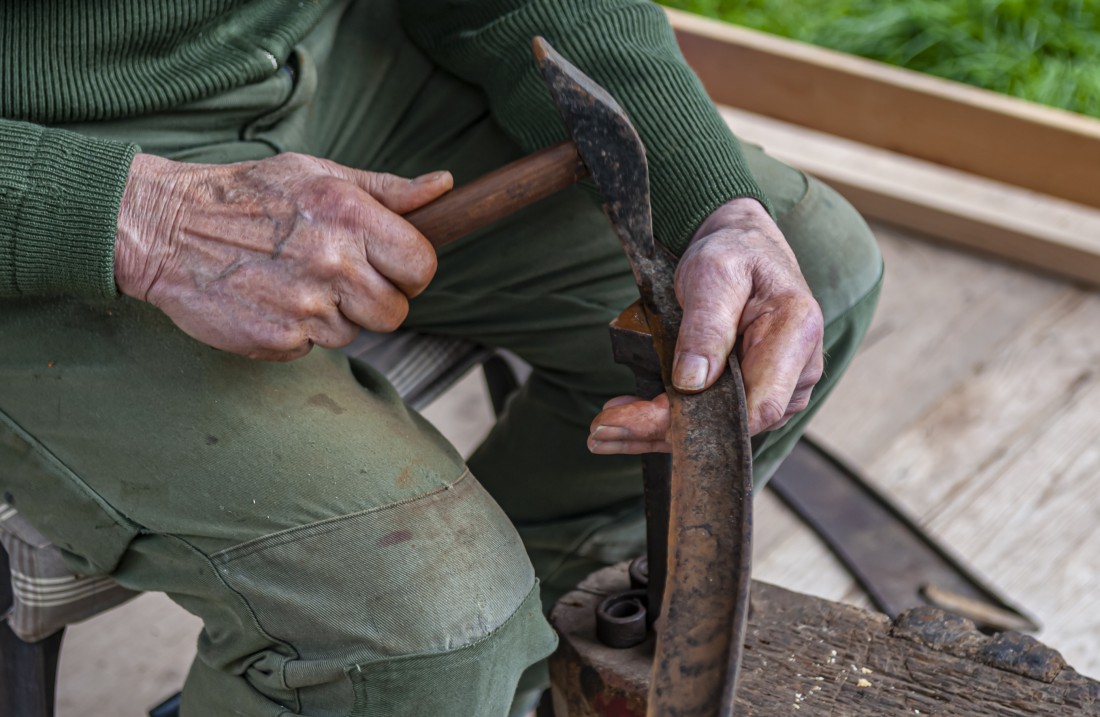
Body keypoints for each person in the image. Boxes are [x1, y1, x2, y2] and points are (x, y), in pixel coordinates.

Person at [0, 1, 882, 715]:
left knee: (806, 285)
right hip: (44, 180)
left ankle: (475, 688)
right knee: (425, 620)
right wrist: (137, 221)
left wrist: (713, 206)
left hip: (312, 48)